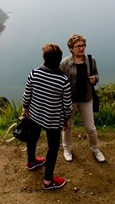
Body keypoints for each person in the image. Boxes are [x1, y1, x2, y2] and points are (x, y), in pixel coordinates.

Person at [22, 43, 72, 190]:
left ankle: (31, 162)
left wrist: (25, 109)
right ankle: (48, 181)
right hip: (52, 120)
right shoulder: (63, 80)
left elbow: (27, 95)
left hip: (34, 114)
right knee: (53, 147)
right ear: (59, 60)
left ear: (44, 58)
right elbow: (67, 105)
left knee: (32, 138)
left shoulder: (34, 73)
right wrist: (66, 119)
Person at [60, 34, 106, 163]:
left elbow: (96, 75)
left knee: (91, 128)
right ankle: (67, 149)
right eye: (78, 46)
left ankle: (95, 149)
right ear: (71, 48)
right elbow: (59, 80)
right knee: (67, 126)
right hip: (70, 100)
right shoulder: (65, 63)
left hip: (86, 99)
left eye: (83, 45)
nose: (81, 48)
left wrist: (95, 79)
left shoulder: (91, 60)